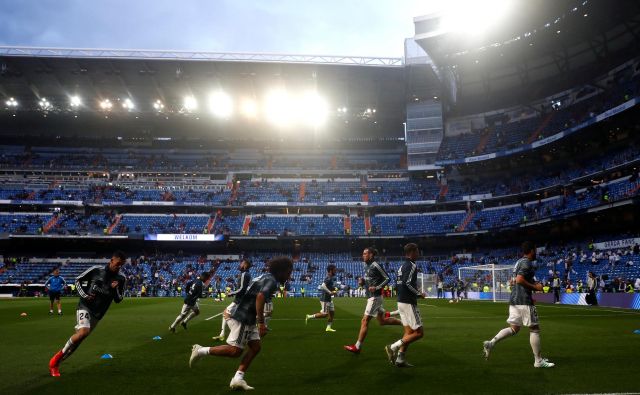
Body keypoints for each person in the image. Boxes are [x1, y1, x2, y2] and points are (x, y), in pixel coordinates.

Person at [189, 256, 293, 391]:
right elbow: (260, 296)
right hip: (245, 316)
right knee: (235, 351)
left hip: (247, 314)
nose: (289, 276)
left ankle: (238, 379)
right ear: (281, 271)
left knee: (255, 347)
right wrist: (261, 323)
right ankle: (201, 350)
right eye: (288, 272)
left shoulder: (265, 276)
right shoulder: (271, 281)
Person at [48, 251, 127, 377]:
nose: (119, 267)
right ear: (111, 260)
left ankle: (57, 363)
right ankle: (54, 361)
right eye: (117, 264)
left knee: (79, 339)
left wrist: (115, 289)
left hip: (98, 314)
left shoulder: (121, 279)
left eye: (121, 265)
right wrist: (84, 295)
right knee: (83, 332)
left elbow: (119, 299)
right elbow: (78, 280)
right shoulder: (96, 270)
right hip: (85, 306)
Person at [482, 242, 554, 368]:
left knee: (514, 328)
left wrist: (532, 282)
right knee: (534, 329)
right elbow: (520, 279)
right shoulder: (527, 263)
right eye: (535, 250)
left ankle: (491, 343)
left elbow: (515, 279)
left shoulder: (518, 262)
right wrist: (535, 287)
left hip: (514, 300)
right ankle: (538, 361)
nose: (536, 252)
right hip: (524, 300)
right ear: (532, 250)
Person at [344, 247, 401, 354]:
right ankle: (405, 323)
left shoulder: (376, 265)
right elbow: (369, 280)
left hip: (375, 296)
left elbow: (387, 278)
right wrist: (362, 282)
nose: (363, 255)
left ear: (371, 255)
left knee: (364, 321)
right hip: (371, 297)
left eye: (365, 253)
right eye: (363, 253)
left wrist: (377, 287)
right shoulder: (365, 265)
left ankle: (357, 347)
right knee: (382, 321)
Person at [385, 243, 424, 367]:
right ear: (412, 252)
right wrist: (418, 294)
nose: (418, 254)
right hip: (408, 302)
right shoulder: (412, 265)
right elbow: (408, 283)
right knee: (419, 333)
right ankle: (393, 347)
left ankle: (400, 359)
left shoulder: (401, 266)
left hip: (401, 301)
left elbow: (398, 284)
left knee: (408, 333)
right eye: (417, 251)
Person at [213, 259, 252, 341]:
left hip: (240, 300)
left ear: (245, 265)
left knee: (225, 314)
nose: (240, 264)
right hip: (241, 299)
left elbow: (242, 289)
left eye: (242, 263)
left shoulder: (244, 274)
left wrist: (231, 293)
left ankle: (230, 334)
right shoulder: (246, 274)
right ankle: (225, 334)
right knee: (232, 316)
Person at [305, 264, 338, 332]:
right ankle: (309, 316)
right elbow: (323, 286)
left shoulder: (330, 277)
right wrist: (330, 292)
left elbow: (328, 286)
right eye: (334, 270)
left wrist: (334, 289)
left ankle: (328, 327)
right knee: (325, 314)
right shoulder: (328, 278)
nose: (336, 271)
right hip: (325, 299)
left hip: (329, 299)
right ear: (331, 271)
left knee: (332, 313)